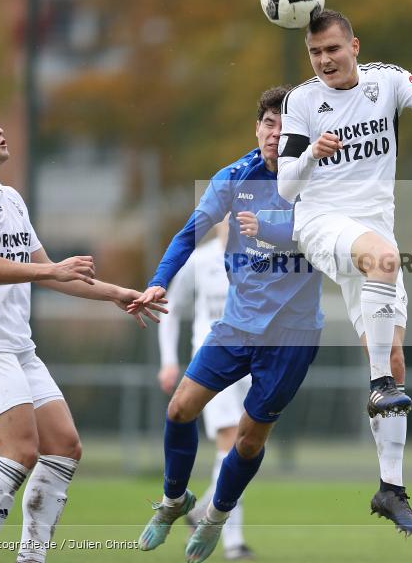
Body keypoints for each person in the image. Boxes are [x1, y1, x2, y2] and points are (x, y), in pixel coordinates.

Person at [277, 9, 412, 536]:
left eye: (332, 49)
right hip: (322, 224)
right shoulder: (301, 102)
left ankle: (390, 488)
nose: (324, 60)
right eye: (315, 52)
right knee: (385, 265)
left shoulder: (386, 82)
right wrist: (312, 154)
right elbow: (285, 186)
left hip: (373, 234)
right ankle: (378, 385)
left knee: (394, 354)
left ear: (355, 46)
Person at [0, 105, 164, 563]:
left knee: (64, 446)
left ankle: (32, 558)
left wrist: (117, 293)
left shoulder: (12, 198)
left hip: (16, 346)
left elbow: (52, 273)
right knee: (20, 451)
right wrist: (52, 270)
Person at [129, 86, 323, 563]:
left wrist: (272, 230)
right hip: (236, 327)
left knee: (249, 440)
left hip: (292, 337)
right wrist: (158, 282)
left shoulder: (318, 182)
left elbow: (323, 241)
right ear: (256, 128)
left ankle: (217, 518)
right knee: (180, 409)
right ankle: (173, 501)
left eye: (286, 127)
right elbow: (188, 234)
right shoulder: (235, 178)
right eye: (269, 124)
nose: (275, 134)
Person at [157, 228, 254, 560]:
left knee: (250, 447)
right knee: (231, 443)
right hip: (213, 362)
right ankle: (232, 541)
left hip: (253, 363)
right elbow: (170, 307)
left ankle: (203, 511)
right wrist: (169, 361)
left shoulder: (262, 256)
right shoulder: (199, 260)